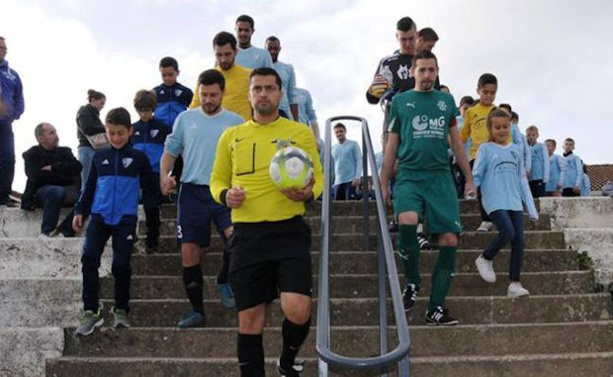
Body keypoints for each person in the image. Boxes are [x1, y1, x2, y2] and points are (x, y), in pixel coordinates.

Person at [210, 67, 323, 377]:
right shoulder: (231, 136)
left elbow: (319, 176)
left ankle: (286, 361)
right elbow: (217, 179)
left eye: (269, 88)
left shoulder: (298, 133)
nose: (263, 93)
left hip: (289, 230)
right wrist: (225, 195)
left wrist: (308, 192)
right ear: (249, 94)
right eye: (257, 88)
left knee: (298, 310)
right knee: (249, 320)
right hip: (247, 236)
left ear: (280, 93)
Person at [380, 50, 475, 325]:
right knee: (407, 221)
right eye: (421, 70)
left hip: (440, 177)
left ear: (437, 71)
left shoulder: (446, 102)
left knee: (449, 240)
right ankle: (412, 281)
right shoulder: (400, 101)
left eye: (431, 70)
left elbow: (456, 143)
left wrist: (468, 178)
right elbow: (392, 145)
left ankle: (436, 307)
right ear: (412, 72)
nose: (426, 75)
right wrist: (384, 182)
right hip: (409, 174)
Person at [161, 69, 245, 325]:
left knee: (239, 239)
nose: (208, 100)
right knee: (189, 251)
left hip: (224, 193)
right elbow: (171, 150)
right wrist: (164, 175)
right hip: (192, 193)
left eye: (213, 95)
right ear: (198, 93)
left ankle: (223, 279)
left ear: (223, 93)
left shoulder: (236, 121)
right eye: (204, 95)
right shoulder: (186, 119)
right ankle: (197, 311)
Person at [73, 108, 156, 336]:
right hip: (99, 217)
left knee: (120, 265)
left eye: (120, 133)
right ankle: (91, 311)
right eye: (111, 133)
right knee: (89, 259)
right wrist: (80, 210)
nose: (116, 138)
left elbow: (150, 189)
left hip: (125, 219)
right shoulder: (100, 157)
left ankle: (121, 309)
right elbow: (89, 187)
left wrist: (152, 220)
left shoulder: (139, 158)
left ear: (130, 131)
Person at [473, 108, 538, 297]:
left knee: (519, 240)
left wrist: (531, 209)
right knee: (507, 231)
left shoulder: (516, 150)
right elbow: (477, 174)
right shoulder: (485, 149)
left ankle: (514, 284)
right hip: (494, 200)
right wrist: (470, 190)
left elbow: (521, 179)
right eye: (497, 127)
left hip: (514, 200)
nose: (501, 130)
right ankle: (485, 257)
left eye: (505, 127)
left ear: (510, 127)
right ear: (490, 129)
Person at [21, 123, 81, 237]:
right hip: (42, 193)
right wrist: (63, 175)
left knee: (88, 199)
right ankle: (47, 232)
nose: (56, 136)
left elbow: (77, 167)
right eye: (52, 133)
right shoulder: (32, 154)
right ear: (40, 138)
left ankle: (64, 232)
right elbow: (35, 175)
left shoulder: (65, 152)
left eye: (55, 132)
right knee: (56, 191)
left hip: (67, 191)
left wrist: (53, 168)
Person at [460, 73, 502, 232]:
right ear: (478, 91)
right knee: (481, 188)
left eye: (492, 93)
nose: (489, 96)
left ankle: (498, 217)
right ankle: (486, 220)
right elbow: (463, 134)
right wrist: (453, 146)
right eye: (486, 92)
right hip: (476, 156)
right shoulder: (471, 112)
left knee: (494, 188)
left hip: (495, 155)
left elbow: (506, 135)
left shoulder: (497, 111)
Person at [131, 89, 172, 254]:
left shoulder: (163, 128)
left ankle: (152, 240)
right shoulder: (132, 129)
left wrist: (167, 175)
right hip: (134, 174)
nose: (144, 113)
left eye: (147, 110)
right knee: (128, 206)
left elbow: (171, 151)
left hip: (154, 174)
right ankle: (130, 237)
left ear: (153, 108)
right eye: (141, 110)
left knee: (151, 207)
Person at [189, 32, 252, 121]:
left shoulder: (249, 76)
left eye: (227, 54)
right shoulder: (206, 78)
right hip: (214, 131)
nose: (223, 59)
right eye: (219, 55)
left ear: (236, 52)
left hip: (241, 132)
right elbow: (195, 108)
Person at [154, 57, 193, 189]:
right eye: (164, 75)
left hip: (179, 132)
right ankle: (162, 187)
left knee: (180, 160)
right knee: (163, 159)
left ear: (178, 72)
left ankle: (177, 187)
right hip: (160, 132)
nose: (167, 78)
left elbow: (192, 112)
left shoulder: (186, 92)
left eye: (170, 74)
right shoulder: (155, 92)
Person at [366, 17, 418, 107]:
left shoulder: (427, 60)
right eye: (403, 39)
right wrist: (372, 92)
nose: (408, 44)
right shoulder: (388, 63)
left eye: (411, 38)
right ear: (397, 37)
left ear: (417, 35)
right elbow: (373, 99)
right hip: (396, 117)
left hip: (425, 116)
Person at [0, 36, 25, 207]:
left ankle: (3, 195)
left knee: (8, 158)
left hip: (4, 124)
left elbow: (20, 99)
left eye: (4, 48)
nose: (2, 50)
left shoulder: (13, 75)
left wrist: (13, 114)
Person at [76, 89, 107, 191]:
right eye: (101, 103)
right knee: (87, 180)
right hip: (87, 148)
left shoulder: (92, 114)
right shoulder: (84, 111)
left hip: (92, 148)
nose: (102, 106)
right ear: (93, 100)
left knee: (92, 180)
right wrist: (105, 128)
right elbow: (87, 128)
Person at [265, 36, 298, 120]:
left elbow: (292, 96)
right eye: (270, 48)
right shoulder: (259, 66)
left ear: (279, 49)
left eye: (275, 48)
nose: (272, 51)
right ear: (265, 49)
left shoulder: (287, 68)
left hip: (283, 112)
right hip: (264, 111)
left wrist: (296, 122)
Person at [331, 123, 362, 200]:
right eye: (337, 132)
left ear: (345, 131)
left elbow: (359, 159)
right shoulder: (333, 148)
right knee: (337, 208)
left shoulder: (353, 144)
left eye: (341, 131)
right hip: (337, 182)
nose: (339, 134)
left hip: (351, 180)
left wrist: (357, 177)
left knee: (351, 207)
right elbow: (331, 165)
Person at [525, 125, 549, 198]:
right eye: (529, 135)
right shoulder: (526, 148)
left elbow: (546, 161)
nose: (531, 137)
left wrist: (545, 178)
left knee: (540, 198)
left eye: (533, 135)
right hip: (530, 179)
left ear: (537, 135)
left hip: (540, 178)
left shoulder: (541, 146)